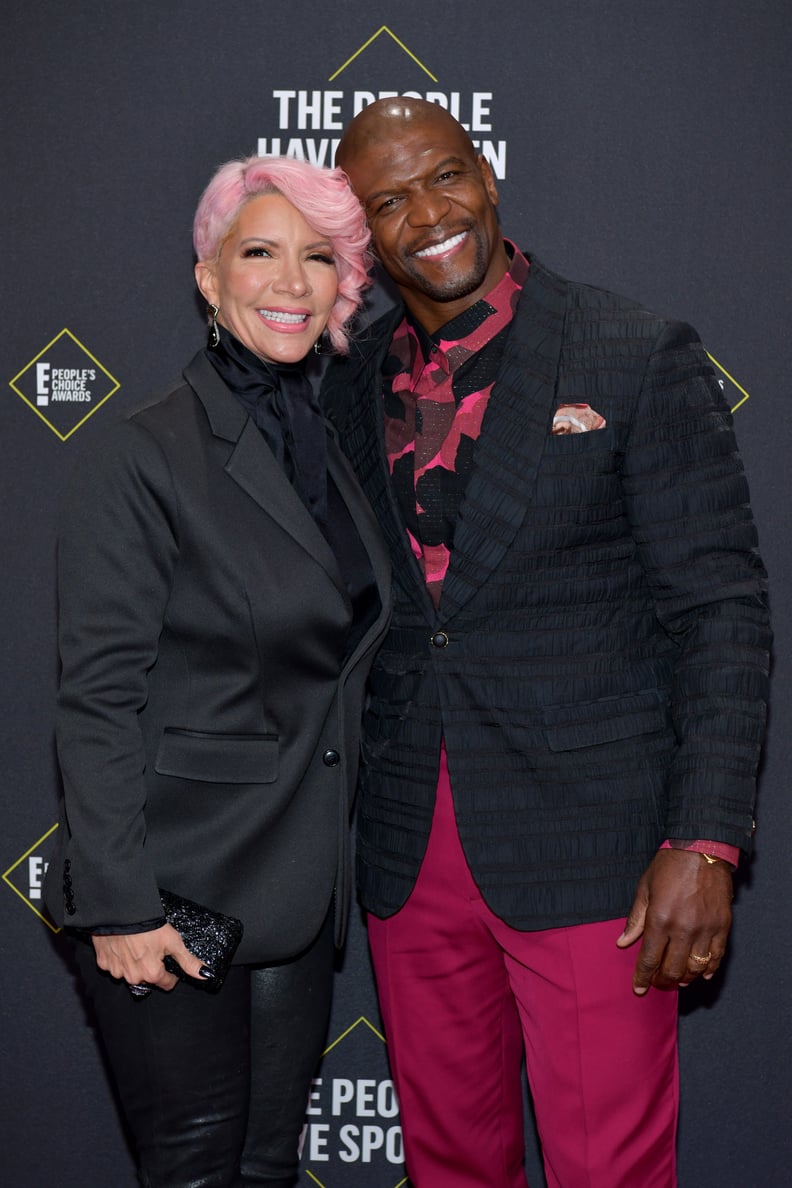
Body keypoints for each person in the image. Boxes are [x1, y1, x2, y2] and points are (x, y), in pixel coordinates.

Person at [320, 98, 771, 1188]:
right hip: (405, 845)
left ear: (487, 173)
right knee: (449, 1167)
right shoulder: (345, 380)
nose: (427, 214)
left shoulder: (632, 352)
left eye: (442, 176)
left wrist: (705, 840)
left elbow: (720, 607)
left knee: (608, 1168)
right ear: (365, 240)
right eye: (388, 201)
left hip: (593, 851)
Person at [44, 155, 391, 1188]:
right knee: (195, 1169)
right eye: (260, 252)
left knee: (266, 1169)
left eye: (318, 258)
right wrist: (120, 904)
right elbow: (98, 694)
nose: (291, 281)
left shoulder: (322, 449)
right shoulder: (142, 454)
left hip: (293, 888)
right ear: (208, 276)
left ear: (345, 286)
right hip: (175, 891)